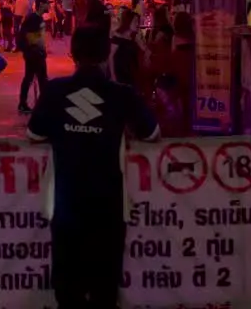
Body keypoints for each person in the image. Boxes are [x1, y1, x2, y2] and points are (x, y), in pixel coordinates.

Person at [28, 26, 159, 309]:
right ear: (105, 55)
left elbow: (34, 134)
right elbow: (152, 133)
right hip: (108, 207)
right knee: (104, 291)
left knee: (68, 292)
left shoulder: (55, 91)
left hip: (66, 205)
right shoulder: (122, 94)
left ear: (73, 54)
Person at [16, 12, 48, 115]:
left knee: (30, 78)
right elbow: (36, 40)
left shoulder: (27, 29)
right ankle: (42, 103)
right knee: (40, 79)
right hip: (35, 55)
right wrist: (40, 51)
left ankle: (23, 102)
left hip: (32, 54)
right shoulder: (33, 27)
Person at [111, 8, 142, 87]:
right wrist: (114, 77)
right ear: (128, 21)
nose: (137, 24)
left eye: (138, 22)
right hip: (121, 74)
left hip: (131, 74)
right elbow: (110, 57)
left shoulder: (133, 38)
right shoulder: (118, 37)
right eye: (135, 21)